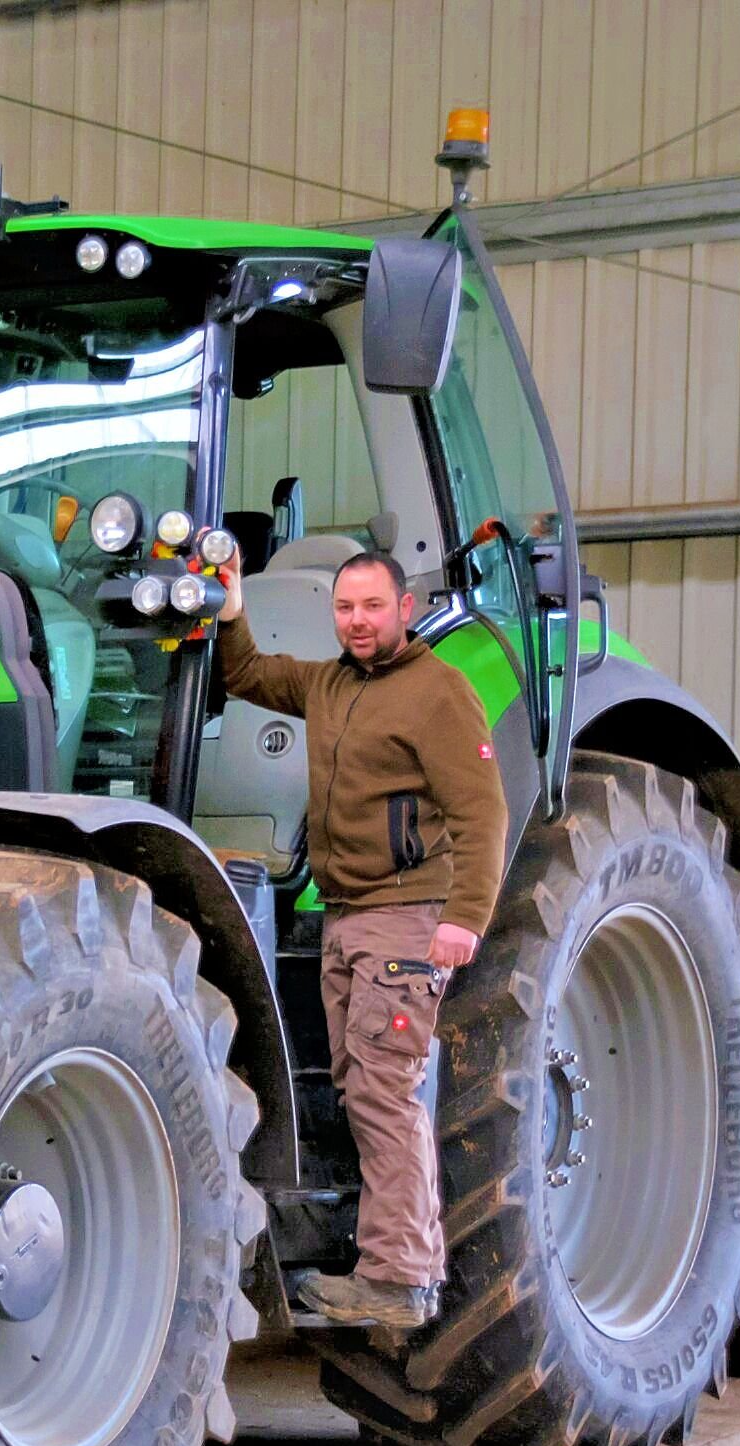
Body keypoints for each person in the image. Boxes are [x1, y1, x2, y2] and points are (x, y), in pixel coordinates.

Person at [212, 544, 507, 1330]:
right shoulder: (330, 682)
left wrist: (463, 919)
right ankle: (394, 1266)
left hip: (405, 920)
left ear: (403, 610)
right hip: (345, 916)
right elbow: (246, 676)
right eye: (346, 609)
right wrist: (233, 607)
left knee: (385, 1092)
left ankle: (401, 1279)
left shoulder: (439, 694)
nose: (358, 621)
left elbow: (483, 814)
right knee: (360, 1090)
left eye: (373, 607)